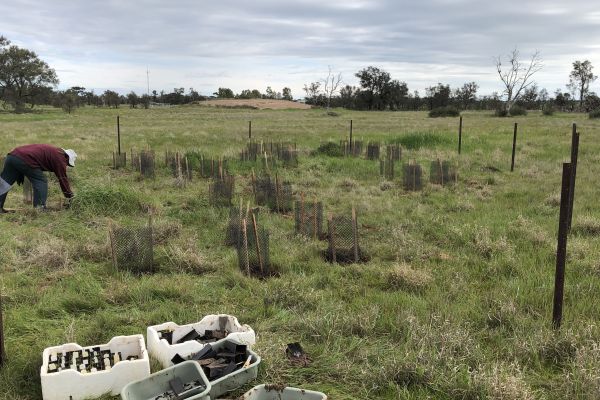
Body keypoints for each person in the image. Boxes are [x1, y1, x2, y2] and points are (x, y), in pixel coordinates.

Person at [0, 144, 77, 212]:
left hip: (12, 156)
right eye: (67, 164)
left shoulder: (54, 152)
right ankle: (39, 208)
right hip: (25, 159)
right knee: (41, 181)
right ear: (67, 158)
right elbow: (63, 179)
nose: (66, 165)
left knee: (5, 183)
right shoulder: (60, 158)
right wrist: (70, 196)